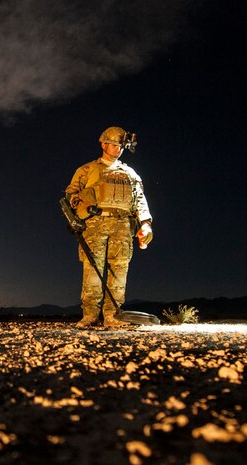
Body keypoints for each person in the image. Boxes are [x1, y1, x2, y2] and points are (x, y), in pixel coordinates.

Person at [64, 126, 153, 328]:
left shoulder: (130, 174)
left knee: (119, 271)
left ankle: (113, 316)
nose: (117, 149)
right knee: (92, 270)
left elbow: (140, 200)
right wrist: (81, 205)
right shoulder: (86, 170)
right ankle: (89, 315)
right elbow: (70, 197)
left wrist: (146, 224)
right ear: (103, 144)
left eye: (120, 146)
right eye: (114, 145)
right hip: (94, 225)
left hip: (122, 225)